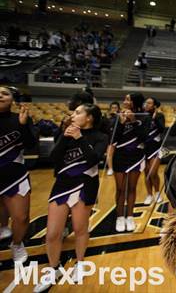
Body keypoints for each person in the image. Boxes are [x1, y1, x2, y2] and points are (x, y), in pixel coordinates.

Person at [33, 104, 107, 292]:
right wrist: (64, 136)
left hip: (85, 185)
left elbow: (93, 159)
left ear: (89, 117)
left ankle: (80, 263)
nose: (73, 115)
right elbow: (53, 157)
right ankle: (53, 268)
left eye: (78, 112)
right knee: (52, 233)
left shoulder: (101, 137)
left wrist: (80, 138)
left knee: (79, 229)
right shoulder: (66, 133)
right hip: (62, 185)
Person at [0, 86, 37, 263]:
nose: (0, 95)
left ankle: (17, 244)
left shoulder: (20, 118)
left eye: (5, 93)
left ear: (12, 99)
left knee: (21, 217)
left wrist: (23, 126)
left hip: (15, 175)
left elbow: (31, 144)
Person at [112, 93, 149, 232]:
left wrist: (133, 121)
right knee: (120, 188)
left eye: (128, 99)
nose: (124, 101)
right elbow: (113, 138)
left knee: (132, 188)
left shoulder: (144, 117)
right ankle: (120, 217)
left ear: (134, 102)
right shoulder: (118, 115)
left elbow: (144, 138)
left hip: (136, 156)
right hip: (120, 155)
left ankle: (130, 216)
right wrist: (121, 123)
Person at [143, 97, 165, 204]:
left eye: (149, 103)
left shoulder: (160, 116)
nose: (146, 104)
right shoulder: (143, 116)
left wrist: (155, 118)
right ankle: (149, 195)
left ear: (154, 106)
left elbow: (162, 129)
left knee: (152, 173)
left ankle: (157, 193)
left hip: (155, 148)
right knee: (146, 173)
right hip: (144, 148)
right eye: (146, 102)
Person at [105, 102, 120, 176]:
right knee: (109, 153)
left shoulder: (121, 117)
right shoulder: (108, 118)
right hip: (111, 140)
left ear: (118, 109)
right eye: (112, 108)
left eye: (116, 107)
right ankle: (110, 168)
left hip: (120, 139)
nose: (114, 109)